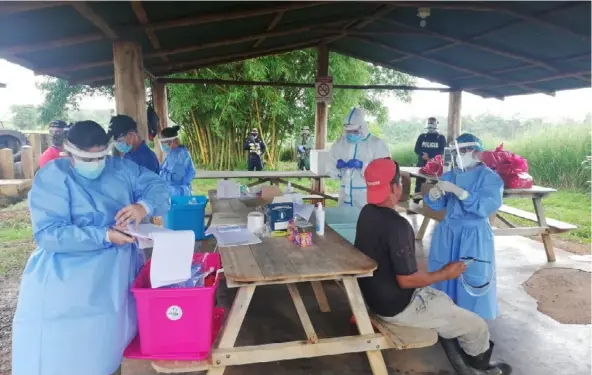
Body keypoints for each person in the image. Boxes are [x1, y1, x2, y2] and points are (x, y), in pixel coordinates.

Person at [11, 120, 170, 375]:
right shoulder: (53, 177)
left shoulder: (121, 169)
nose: (94, 164)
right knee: (63, 354)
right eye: (86, 158)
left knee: (109, 346)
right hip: (66, 282)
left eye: (100, 157)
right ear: (69, 152)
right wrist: (103, 235)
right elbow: (49, 234)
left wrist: (144, 207)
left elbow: (159, 187)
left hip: (114, 277)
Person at [355, 157, 511, 375]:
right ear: (394, 186)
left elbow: (389, 260)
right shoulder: (398, 226)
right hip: (397, 308)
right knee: (477, 326)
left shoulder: (367, 213)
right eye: (399, 181)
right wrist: (445, 273)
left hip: (377, 298)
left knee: (444, 302)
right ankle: (480, 366)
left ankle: (461, 355)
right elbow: (406, 280)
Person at [424, 133, 503, 320]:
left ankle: (471, 321)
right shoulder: (450, 174)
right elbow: (439, 204)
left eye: (463, 151)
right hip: (448, 232)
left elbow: (485, 206)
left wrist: (461, 193)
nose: (459, 156)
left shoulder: (490, 178)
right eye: (455, 152)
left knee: (471, 277)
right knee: (443, 272)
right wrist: (434, 196)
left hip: (474, 234)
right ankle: (443, 316)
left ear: (475, 151)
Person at [328, 107, 390, 210]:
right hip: (344, 193)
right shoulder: (340, 143)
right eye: (348, 131)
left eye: (355, 131)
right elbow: (331, 162)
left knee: (365, 221)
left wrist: (363, 166)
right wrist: (337, 167)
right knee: (344, 220)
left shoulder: (376, 143)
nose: (351, 134)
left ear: (362, 128)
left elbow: (385, 169)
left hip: (365, 195)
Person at [413, 117, 447, 202]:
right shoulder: (422, 136)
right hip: (422, 164)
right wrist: (423, 156)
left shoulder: (441, 138)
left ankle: (431, 207)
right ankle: (416, 204)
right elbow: (416, 149)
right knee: (419, 185)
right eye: (429, 123)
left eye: (432, 123)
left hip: (435, 166)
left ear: (436, 124)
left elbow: (442, 151)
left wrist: (431, 158)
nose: (430, 125)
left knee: (434, 185)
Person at [159, 125, 196, 196]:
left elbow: (177, 179)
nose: (162, 145)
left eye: (163, 142)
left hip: (178, 193)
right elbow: (163, 167)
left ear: (171, 141)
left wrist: (161, 174)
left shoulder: (180, 155)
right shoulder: (172, 153)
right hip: (172, 192)